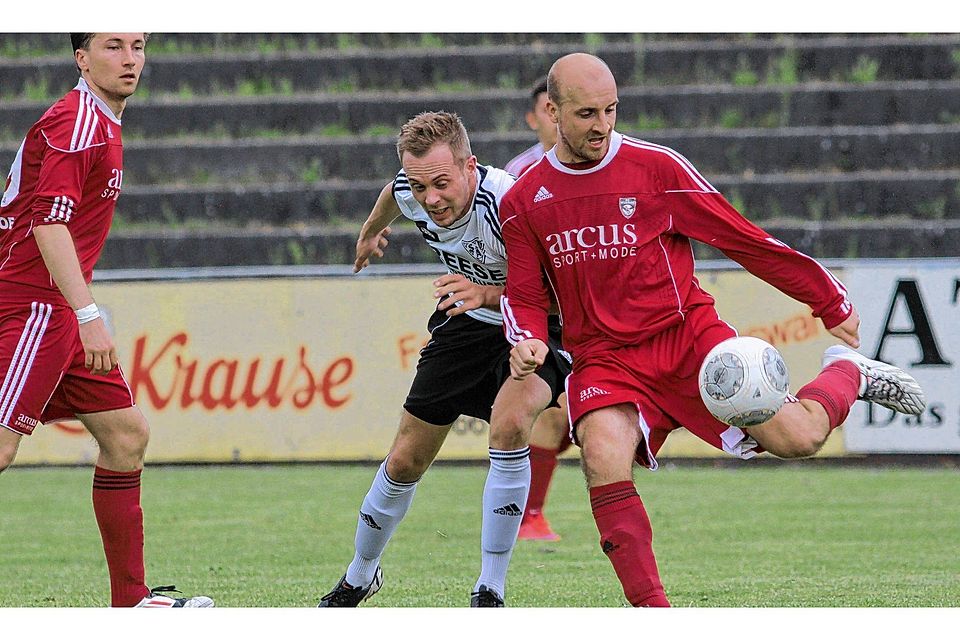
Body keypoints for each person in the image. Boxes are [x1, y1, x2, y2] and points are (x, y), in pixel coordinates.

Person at [499, 53, 926, 607]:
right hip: (604, 356)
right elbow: (525, 295)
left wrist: (825, 297)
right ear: (551, 112)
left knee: (800, 439)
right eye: (586, 114)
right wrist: (527, 337)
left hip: (688, 340)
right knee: (602, 456)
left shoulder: (658, 170)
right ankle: (656, 613)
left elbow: (741, 238)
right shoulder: (524, 199)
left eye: (610, 111)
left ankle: (846, 373)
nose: (602, 125)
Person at [317, 111, 571, 608]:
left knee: (510, 425)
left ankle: (489, 590)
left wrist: (488, 292)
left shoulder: (512, 200)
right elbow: (394, 193)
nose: (430, 199)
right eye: (420, 185)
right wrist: (371, 232)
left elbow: (565, 292)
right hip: (467, 324)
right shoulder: (412, 189)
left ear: (470, 167)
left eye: (441, 183)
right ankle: (359, 575)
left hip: (540, 323)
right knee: (405, 459)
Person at [0, 33, 213, 608]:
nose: (130, 59)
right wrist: (87, 313)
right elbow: (48, 227)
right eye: (113, 46)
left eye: (138, 46)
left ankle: (131, 602)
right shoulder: (77, 124)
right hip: (34, 308)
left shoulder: (99, 120)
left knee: (125, 434)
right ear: (81, 58)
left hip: (56, 310)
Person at [504, 77, 570, 542]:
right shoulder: (519, 174)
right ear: (535, 118)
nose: (553, 116)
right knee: (551, 412)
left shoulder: (595, 168)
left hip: (587, 309)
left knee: (574, 416)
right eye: (544, 109)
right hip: (541, 313)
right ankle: (529, 516)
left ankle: (527, 509)